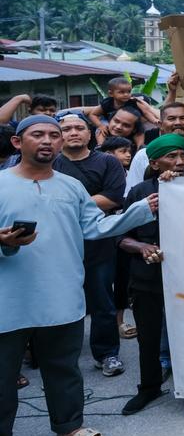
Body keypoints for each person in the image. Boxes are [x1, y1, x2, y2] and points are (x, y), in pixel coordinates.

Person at [1, 115, 157, 436]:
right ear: (17, 143)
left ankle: (69, 426)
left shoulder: (71, 187)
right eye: (37, 134)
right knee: (1, 375)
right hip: (7, 299)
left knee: (64, 367)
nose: (48, 141)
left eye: (54, 136)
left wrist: (137, 212)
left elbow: (95, 227)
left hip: (61, 292)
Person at [117, 134, 184, 416]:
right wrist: (143, 247)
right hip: (147, 279)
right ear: (155, 163)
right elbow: (121, 237)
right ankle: (149, 387)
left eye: (182, 156)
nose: (179, 162)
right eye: (171, 157)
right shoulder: (139, 193)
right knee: (148, 336)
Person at [51, 111, 130, 378]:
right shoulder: (50, 164)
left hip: (98, 241)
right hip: (59, 241)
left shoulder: (108, 162)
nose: (73, 132)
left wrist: (66, 202)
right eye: (66, 128)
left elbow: (113, 197)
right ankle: (60, 359)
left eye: (78, 128)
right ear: (59, 135)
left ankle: (107, 354)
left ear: (90, 133)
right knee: (59, 300)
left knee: (101, 300)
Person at [126, 103, 184, 192]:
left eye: (183, 118)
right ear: (160, 124)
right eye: (171, 118)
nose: (178, 123)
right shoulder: (143, 155)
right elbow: (133, 194)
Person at [97, 136, 137, 341]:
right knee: (102, 281)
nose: (128, 154)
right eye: (123, 151)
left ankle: (120, 321)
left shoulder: (132, 173)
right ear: (108, 155)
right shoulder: (101, 173)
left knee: (121, 278)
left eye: (129, 150)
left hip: (124, 230)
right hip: (102, 231)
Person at [85, 77, 158, 136]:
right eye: (121, 92)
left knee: (140, 131)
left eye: (128, 92)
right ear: (111, 93)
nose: (126, 94)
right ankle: (100, 146)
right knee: (100, 131)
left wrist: (154, 120)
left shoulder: (134, 102)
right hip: (111, 124)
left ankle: (140, 146)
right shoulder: (107, 103)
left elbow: (146, 112)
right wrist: (100, 125)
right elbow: (93, 114)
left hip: (130, 125)